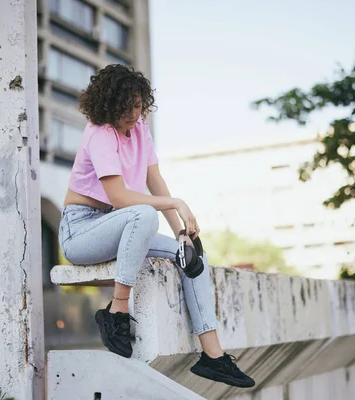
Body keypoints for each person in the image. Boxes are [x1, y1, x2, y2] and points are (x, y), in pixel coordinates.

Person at [58, 64, 255, 388]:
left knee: (191, 257)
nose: (135, 114)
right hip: (81, 232)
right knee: (143, 215)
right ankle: (117, 311)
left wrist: (181, 233)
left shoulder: (140, 129)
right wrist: (177, 203)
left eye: (139, 105)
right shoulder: (99, 132)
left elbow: (154, 180)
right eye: (128, 107)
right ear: (109, 105)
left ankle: (214, 357)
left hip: (119, 225)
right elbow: (120, 197)